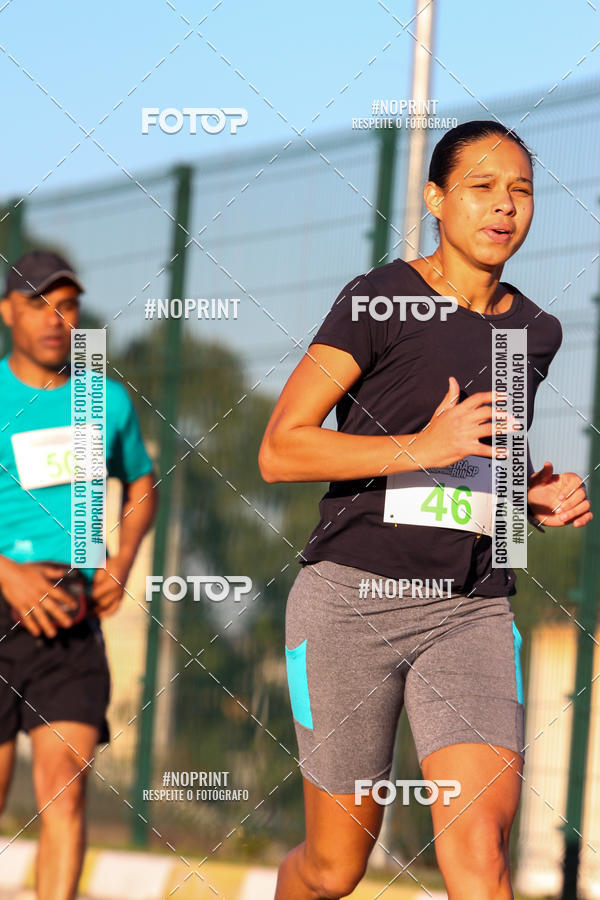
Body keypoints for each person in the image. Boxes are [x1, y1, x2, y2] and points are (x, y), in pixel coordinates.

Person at [259, 121, 592, 899]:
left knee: (479, 852)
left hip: (470, 612)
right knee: (333, 870)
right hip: (350, 601)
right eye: (481, 188)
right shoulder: (380, 298)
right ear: (436, 199)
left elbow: (482, 473)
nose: (504, 207)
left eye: (521, 190)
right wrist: (420, 445)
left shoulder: (533, 331)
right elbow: (282, 449)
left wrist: (529, 504)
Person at [0, 251, 157, 900]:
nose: (55, 319)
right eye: (38, 303)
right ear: (8, 311)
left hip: (72, 618)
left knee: (63, 792)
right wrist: (6, 572)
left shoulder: (106, 401)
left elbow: (143, 483)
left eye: (67, 306)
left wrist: (119, 563)